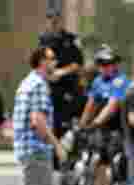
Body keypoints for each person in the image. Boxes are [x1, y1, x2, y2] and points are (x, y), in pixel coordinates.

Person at [6, 46, 66, 185]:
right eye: (51, 58)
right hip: (36, 149)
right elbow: (38, 120)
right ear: (42, 61)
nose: (55, 62)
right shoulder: (39, 85)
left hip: (27, 148)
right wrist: (57, 145)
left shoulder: (27, 82)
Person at [80, 46, 129, 185]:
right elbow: (91, 104)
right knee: (100, 166)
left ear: (115, 65)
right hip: (103, 130)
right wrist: (82, 125)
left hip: (121, 130)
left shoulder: (121, 81)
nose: (105, 67)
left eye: (109, 64)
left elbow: (112, 106)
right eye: (101, 64)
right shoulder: (98, 81)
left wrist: (96, 122)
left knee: (118, 168)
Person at [38, 8, 83, 139]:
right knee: (51, 126)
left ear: (61, 21)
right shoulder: (43, 40)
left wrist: (61, 72)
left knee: (66, 125)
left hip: (68, 88)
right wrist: (47, 76)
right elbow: (38, 64)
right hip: (50, 89)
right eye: (50, 18)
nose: (53, 22)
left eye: (56, 19)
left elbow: (78, 64)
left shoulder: (71, 39)